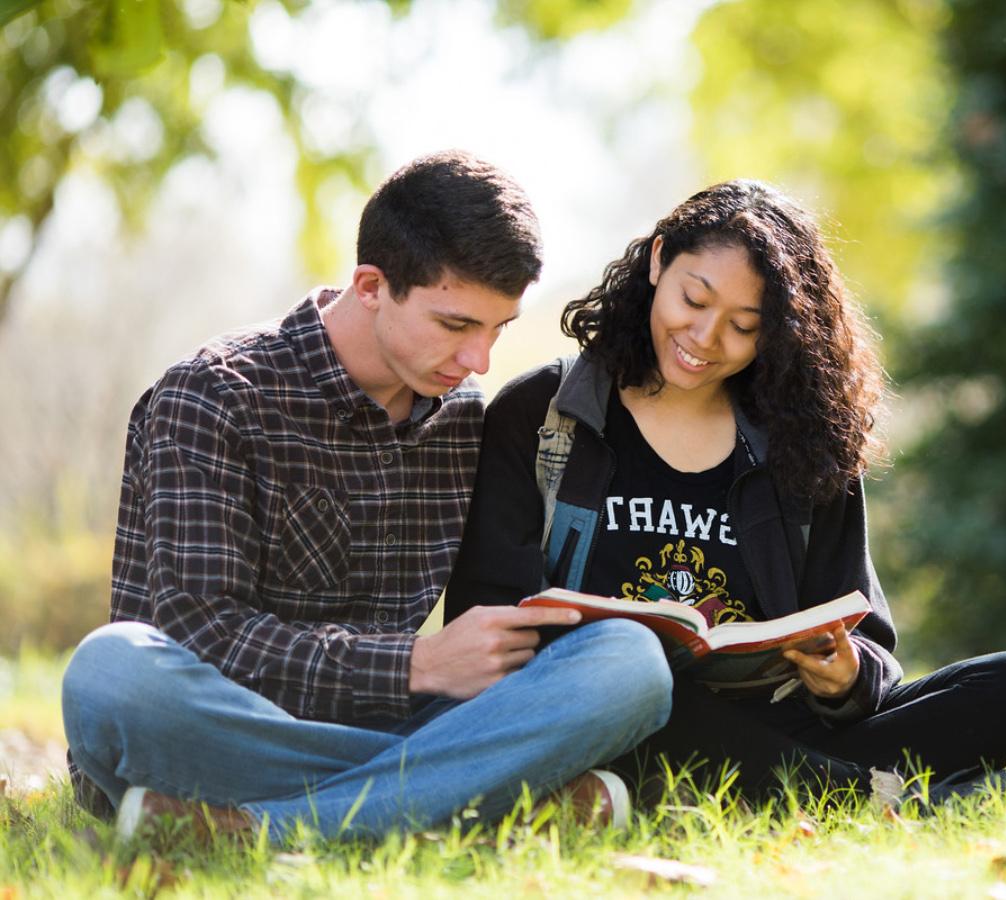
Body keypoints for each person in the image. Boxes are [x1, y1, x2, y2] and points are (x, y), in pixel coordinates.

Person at [60, 151, 673, 843]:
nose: (480, 360)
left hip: (391, 721)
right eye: (455, 325)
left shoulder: (464, 418)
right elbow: (204, 635)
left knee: (630, 663)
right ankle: (478, 799)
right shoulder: (214, 396)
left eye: (497, 327)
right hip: (220, 726)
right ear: (372, 284)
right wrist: (419, 663)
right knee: (111, 675)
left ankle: (260, 829)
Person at [444, 180, 1006, 811]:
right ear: (660, 259)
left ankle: (781, 795)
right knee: (640, 679)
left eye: (743, 325)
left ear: (778, 332)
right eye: (694, 300)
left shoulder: (803, 442)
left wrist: (845, 676)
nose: (704, 338)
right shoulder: (542, 415)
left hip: (779, 727)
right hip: (620, 721)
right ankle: (887, 802)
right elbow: (484, 621)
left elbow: (863, 637)